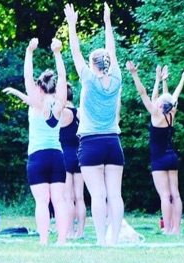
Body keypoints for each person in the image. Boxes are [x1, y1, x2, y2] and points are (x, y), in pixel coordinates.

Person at [65, 3, 124, 246]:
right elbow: (112, 50)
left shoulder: (88, 79)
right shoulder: (118, 78)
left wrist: (72, 24)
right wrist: (108, 22)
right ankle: (115, 240)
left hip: (90, 143)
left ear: (92, 66)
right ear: (109, 63)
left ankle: (101, 240)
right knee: (115, 194)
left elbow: (75, 51)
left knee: (98, 195)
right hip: (113, 142)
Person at [3, 38, 69, 245]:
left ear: (39, 87)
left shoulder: (36, 103)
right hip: (56, 155)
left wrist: (29, 51)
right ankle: (62, 240)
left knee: (42, 201)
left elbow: (26, 77)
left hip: (37, 156)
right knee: (59, 201)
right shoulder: (59, 103)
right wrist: (57, 53)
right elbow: (63, 78)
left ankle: (43, 240)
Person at [126, 61, 184, 234]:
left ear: (161, 106)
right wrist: (178, 78)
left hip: (159, 159)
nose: (156, 102)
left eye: (159, 101)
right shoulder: (171, 113)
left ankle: (168, 228)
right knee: (175, 194)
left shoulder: (156, 114)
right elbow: (173, 94)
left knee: (164, 195)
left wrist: (134, 74)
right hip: (172, 156)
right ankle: (176, 229)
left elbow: (143, 93)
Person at [59, 83, 86, 239]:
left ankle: (69, 231)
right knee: (80, 197)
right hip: (80, 155)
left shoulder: (63, 113)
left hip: (66, 156)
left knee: (68, 197)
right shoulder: (79, 112)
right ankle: (80, 232)